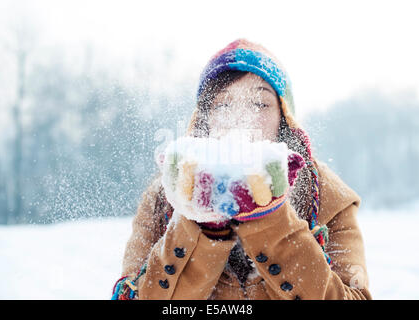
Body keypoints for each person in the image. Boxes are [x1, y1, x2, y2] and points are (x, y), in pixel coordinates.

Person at [111, 38, 372, 300]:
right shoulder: (162, 200)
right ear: (204, 120)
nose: (240, 119)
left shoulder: (328, 197)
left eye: (260, 104)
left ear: (284, 119)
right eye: (223, 105)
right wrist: (198, 226)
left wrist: (273, 222)